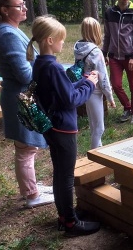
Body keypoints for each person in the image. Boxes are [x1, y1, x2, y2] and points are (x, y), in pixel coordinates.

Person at [27, 15, 100, 237]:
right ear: (50, 40)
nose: (63, 43)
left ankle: (65, 215)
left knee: (60, 174)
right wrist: (90, 84)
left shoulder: (40, 63)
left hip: (51, 126)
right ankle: (70, 223)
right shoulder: (54, 67)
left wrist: (82, 79)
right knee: (66, 176)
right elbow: (70, 100)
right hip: (63, 128)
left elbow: (62, 91)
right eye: (60, 39)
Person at [0, 0, 54, 208]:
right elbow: (23, 73)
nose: (24, 7)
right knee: (25, 148)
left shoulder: (9, 30)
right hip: (20, 98)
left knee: (27, 147)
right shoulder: (7, 35)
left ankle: (30, 187)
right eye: (19, 5)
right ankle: (32, 196)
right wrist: (43, 66)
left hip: (22, 96)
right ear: (5, 10)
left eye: (24, 3)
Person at [102, 0, 133, 124]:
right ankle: (127, 108)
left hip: (130, 57)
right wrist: (104, 53)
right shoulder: (109, 13)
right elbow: (107, 35)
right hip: (114, 56)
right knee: (116, 85)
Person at [75, 17, 116, 149]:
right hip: (96, 91)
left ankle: (99, 149)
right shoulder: (96, 51)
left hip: (84, 88)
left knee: (93, 124)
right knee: (99, 128)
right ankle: (95, 154)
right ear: (95, 32)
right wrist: (110, 97)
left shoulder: (78, 48)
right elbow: (103, 77)